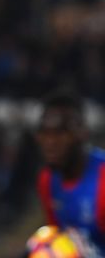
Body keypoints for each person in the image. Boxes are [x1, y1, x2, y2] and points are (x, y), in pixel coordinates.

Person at [36, 91, 105, 256]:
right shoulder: (47, 180)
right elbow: (60, 241)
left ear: (82, 133)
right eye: (45, 133)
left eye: (60, 133)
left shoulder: (102, 179)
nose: (50, 142)